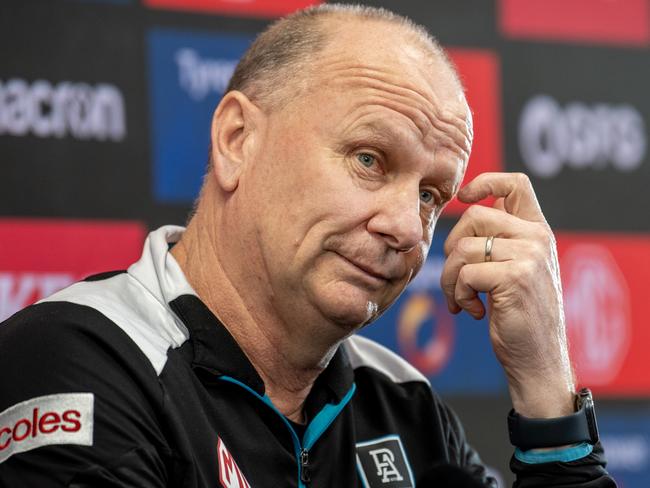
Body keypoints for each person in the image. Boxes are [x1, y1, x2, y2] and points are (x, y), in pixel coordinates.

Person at [0, 4, 615, 487]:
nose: (406, 227)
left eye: (431, 196)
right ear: (238, 140)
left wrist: (547, 392)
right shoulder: (81, 355)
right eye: (369, 160)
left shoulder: (404, 403)